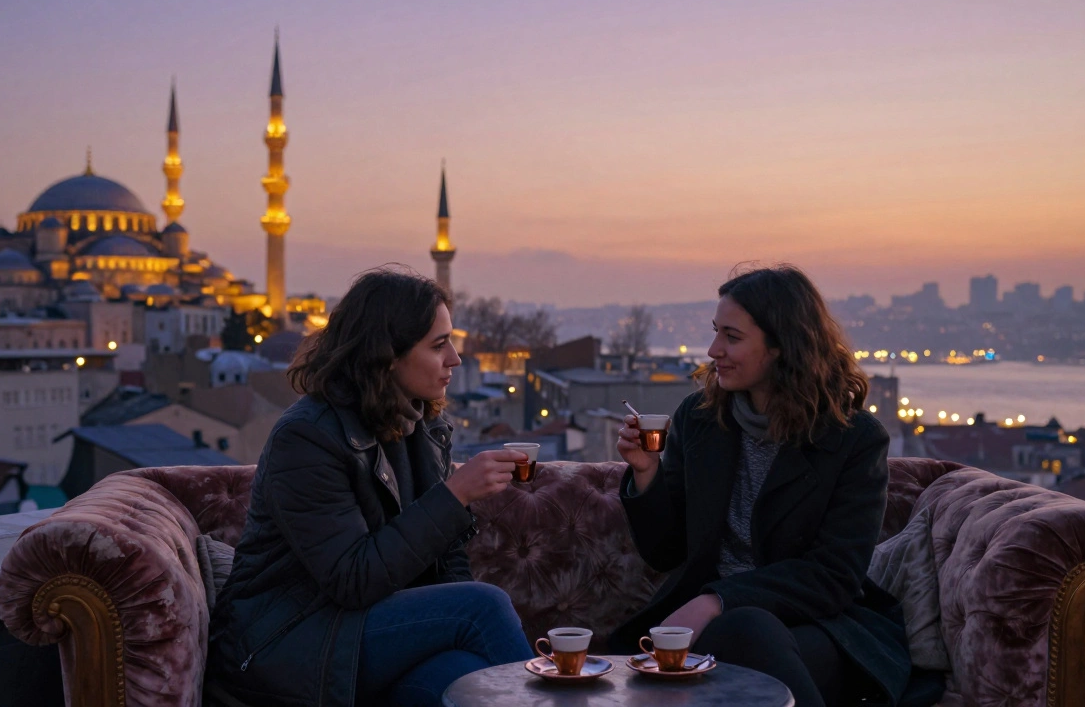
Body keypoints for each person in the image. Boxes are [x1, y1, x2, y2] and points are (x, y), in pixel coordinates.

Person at [209, 268, 533, 707]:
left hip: (362, 635)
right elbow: (352, 581)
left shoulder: (423, 424)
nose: (455, 359)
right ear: (387, 355)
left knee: (465, 675)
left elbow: (446, 563)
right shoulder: (307, 438)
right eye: (438, 345)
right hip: (287, 647)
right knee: (484, 608)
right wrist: (455, 495)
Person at [609, 265, 910, 707]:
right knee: (735, 638)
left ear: (782, 346)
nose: (713, 350)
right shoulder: (700, 418)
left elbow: (833, 576)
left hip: (815, 626)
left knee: (747, 629)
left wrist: (717, 601)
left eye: (731, 337)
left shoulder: (853, 439)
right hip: (715, 629)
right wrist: (645, 472)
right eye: (716, 332)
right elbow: (666, 552)